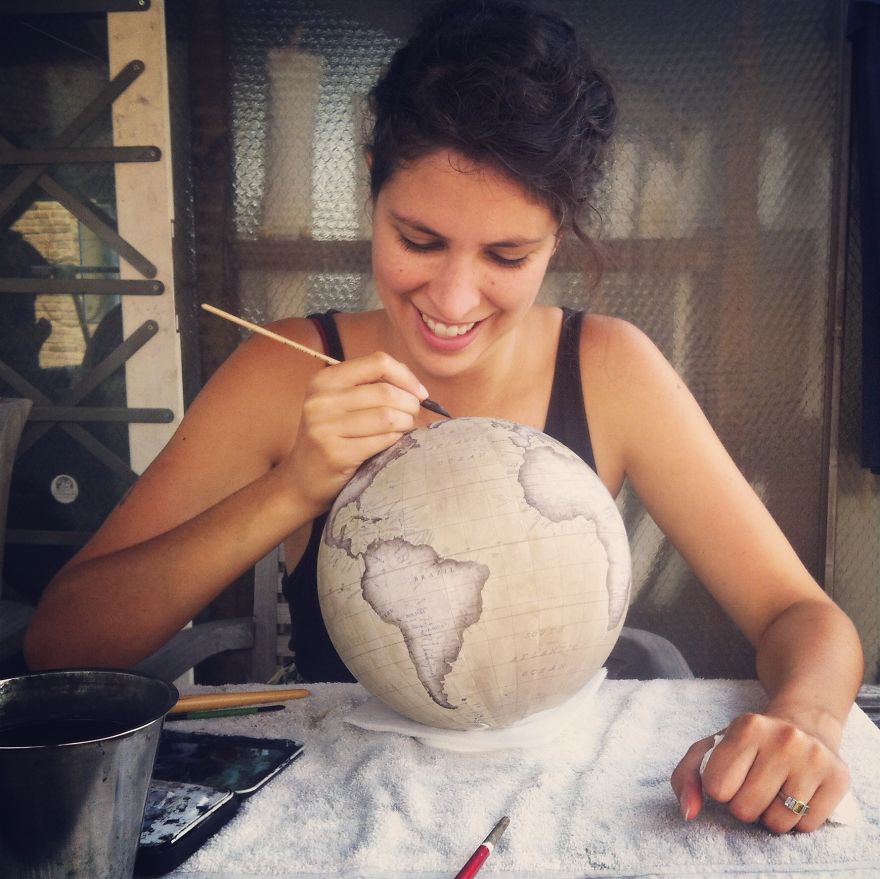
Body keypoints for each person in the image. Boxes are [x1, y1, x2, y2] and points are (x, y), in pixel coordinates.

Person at [25, 0, 862, 834]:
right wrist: (291, 489)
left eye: (507, 255)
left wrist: (808, 721)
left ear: (558, 237)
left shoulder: (609, 367)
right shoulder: (282, 369)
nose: (453, 299)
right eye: (419, 239)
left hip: (557, 813)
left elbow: (802, 616)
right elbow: (61, 647)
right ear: (371, 189)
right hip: (336, 812)